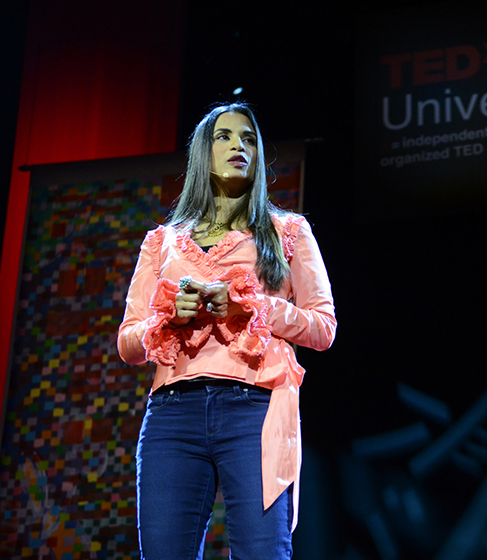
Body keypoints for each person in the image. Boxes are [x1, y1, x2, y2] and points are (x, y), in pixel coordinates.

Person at [117, 102, 336, 559]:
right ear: (203, 152)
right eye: (225, 137)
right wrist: (169, 315)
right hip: (173, 415)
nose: (239, 145)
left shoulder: (287, 231)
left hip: (253, 408)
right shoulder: (163, 241)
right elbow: (128, 342)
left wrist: (252, 305)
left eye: (249, 138)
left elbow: (323, 327)